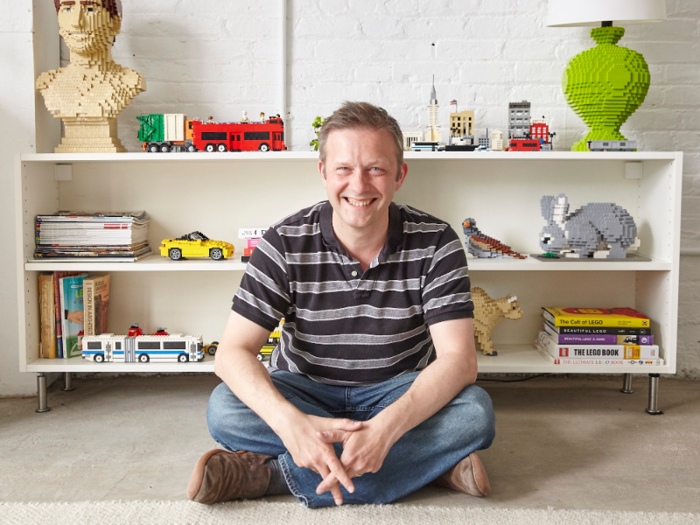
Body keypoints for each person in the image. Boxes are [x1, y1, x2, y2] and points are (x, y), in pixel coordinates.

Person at [187, 102, 495, 508]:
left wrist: (384, 431)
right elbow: (231, 354)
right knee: (224, 408)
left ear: (399, 175)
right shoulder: (283, 242)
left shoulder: (436, 242)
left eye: (376, 169)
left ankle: (268, 474)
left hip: (397, 394)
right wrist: (293, 425)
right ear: (324, 173)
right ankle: (431, 465)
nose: (359, 185)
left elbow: (459, 360)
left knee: (474, 412)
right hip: (305, 392)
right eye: (344, 169)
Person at [36, 0, 145, 152]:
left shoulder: (130, 81)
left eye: (90, 10)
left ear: (115, 23)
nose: (76, 22)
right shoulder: (48, 83)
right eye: (67, 10)